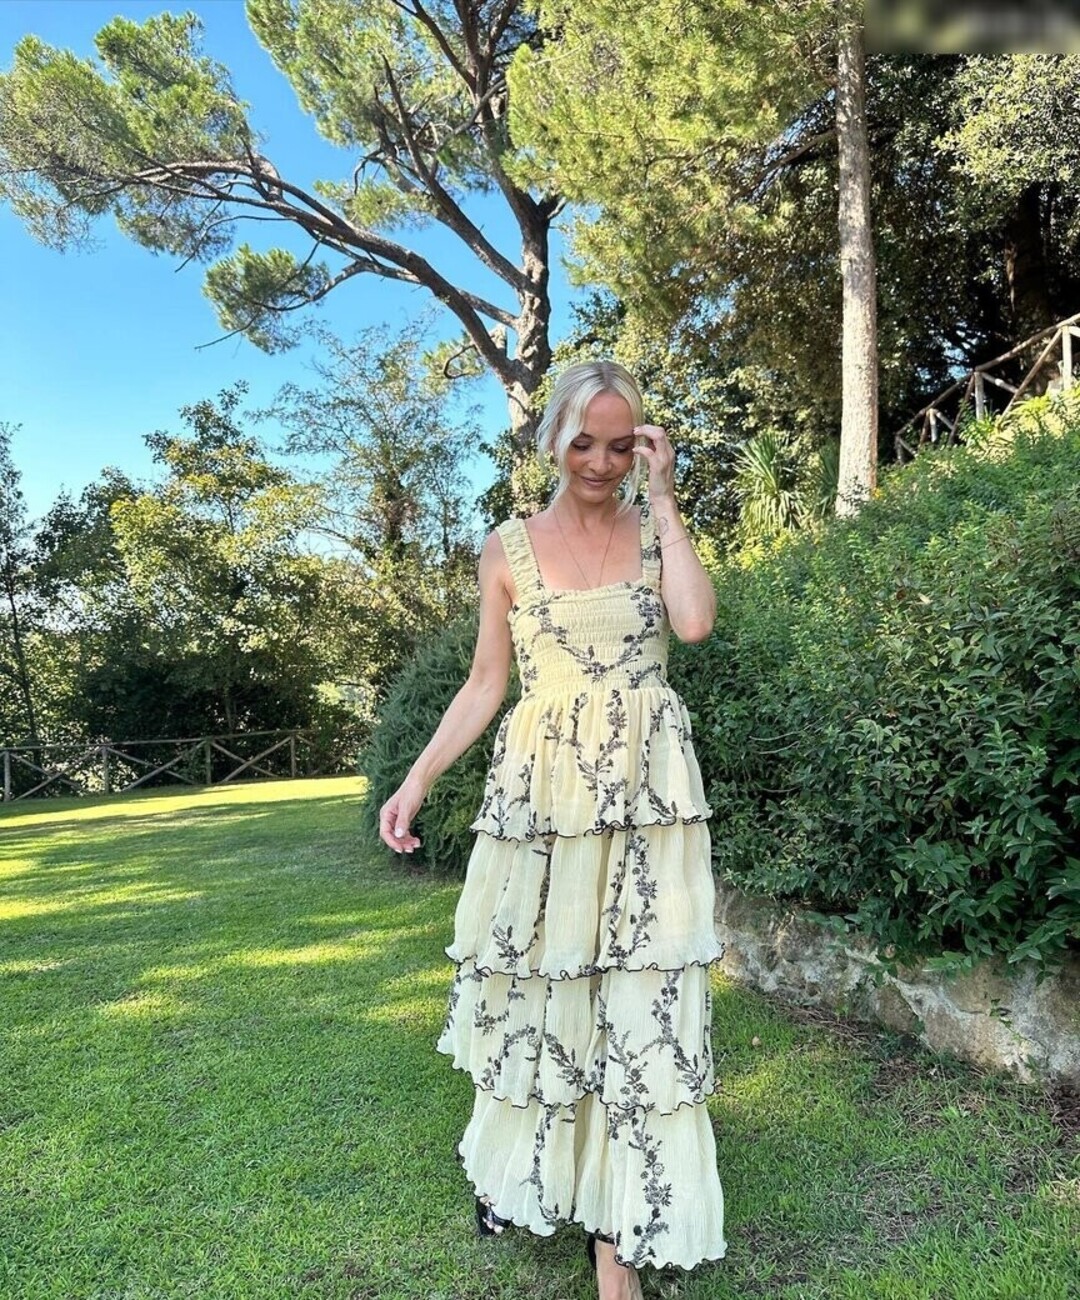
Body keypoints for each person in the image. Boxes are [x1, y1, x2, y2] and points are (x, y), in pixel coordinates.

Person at [379, 360, 727, 1299]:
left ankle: (616, 1246)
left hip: (647, 810)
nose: (601, 463)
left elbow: (694, 625)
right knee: (537, 996)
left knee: (640, 1006)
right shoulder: (507, 550)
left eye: (620, 445)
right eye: (584, 443)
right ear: (553, 441)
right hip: (543, 806)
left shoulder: (657, 533)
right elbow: (485, 684)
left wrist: (667, 498)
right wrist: (416, 779)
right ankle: (524, 1172)